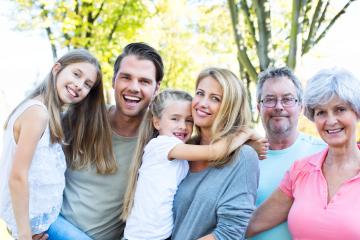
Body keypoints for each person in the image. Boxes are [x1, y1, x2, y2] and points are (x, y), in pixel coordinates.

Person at [47, 43, 164, 240]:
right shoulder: (78, 121)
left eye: (144, 81)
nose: (133, 87)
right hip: (51, 229)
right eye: (126, 77)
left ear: (156, 88)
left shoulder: (158, 145)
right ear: (114, 80)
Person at [121, 89, 263, 240]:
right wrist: (245, 134)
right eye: (175, 119)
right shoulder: (162, 145)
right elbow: (215, 152)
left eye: (188, 120)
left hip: (159, 235)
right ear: (156, 122)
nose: (182, 126)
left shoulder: (181, 151)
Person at [0, 49, 107, 240]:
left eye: (87, 84)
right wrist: (24, 235)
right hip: (35, 228)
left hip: (45, 222)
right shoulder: (37, 113)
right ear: (57, 69)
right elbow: (17, 176)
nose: (79, 85)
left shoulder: (49, 116)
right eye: (76, 74)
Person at [247, 68, 360, 239]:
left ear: (357, 112)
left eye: (340, 109)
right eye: (321, 112)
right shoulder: (300, 171)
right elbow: (250, 225)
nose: (330, 121)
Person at [171, 68, 260, 240]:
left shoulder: (243, 157)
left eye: (215, 99)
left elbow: (229, 233)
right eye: (200, 93)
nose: (202, 103)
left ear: (230, 108)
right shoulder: (182, 149)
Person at [249, 67, 326, 240]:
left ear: (301, 106)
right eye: (269, 100)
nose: (278, 106)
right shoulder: (245, 158)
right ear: (258, 107)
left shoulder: (324, 153)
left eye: (287, 99)